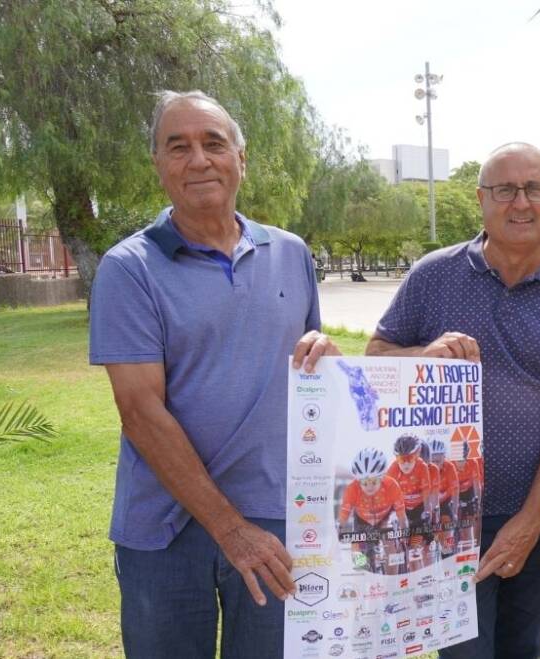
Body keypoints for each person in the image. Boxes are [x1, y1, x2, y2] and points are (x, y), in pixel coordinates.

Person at [88, 90, 339, 658]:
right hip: (165, 530)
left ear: (241, 159)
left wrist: (324, 353)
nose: (198, 159)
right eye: (178, 147)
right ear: (159, 165)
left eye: (213, 143)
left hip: (276, 518)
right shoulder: (129, 269)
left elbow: (308, 375)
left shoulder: (292, 253)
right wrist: (231, 530)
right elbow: (141, 414)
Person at [366, 142, 540, 659]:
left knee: (523, 648)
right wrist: (424, 355)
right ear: (481, 199)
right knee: (463, 653)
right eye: (505, 190)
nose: (520, 202)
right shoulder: (433, 275)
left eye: (534, 189)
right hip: (444, 519)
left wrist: (529, 522)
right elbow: (376, 357)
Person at [337, 447, 408, 574]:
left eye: (374, 481)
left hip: (385, 518)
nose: (369, 486)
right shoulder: (352, 489)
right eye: (364, 482)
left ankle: (391, 585)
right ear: (358, 481)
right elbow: (344, 515)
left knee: (390, 546)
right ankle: (364, 580)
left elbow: (402, 517)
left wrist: (404, 534)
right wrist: (338, 530)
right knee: (358, 553)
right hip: (362, 521)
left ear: (381, 477)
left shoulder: (391, 486)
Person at [387, 434, 434, 570]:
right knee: (398, 548)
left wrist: (427, 512)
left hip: (419, 510)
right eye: (402, 459)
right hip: (402, 510)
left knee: (414, 554)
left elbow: (426, 495)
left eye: (409, 458)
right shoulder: (393, 470)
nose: (406, 464)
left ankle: (424, 581)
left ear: (417, 455)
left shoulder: (422, 467)